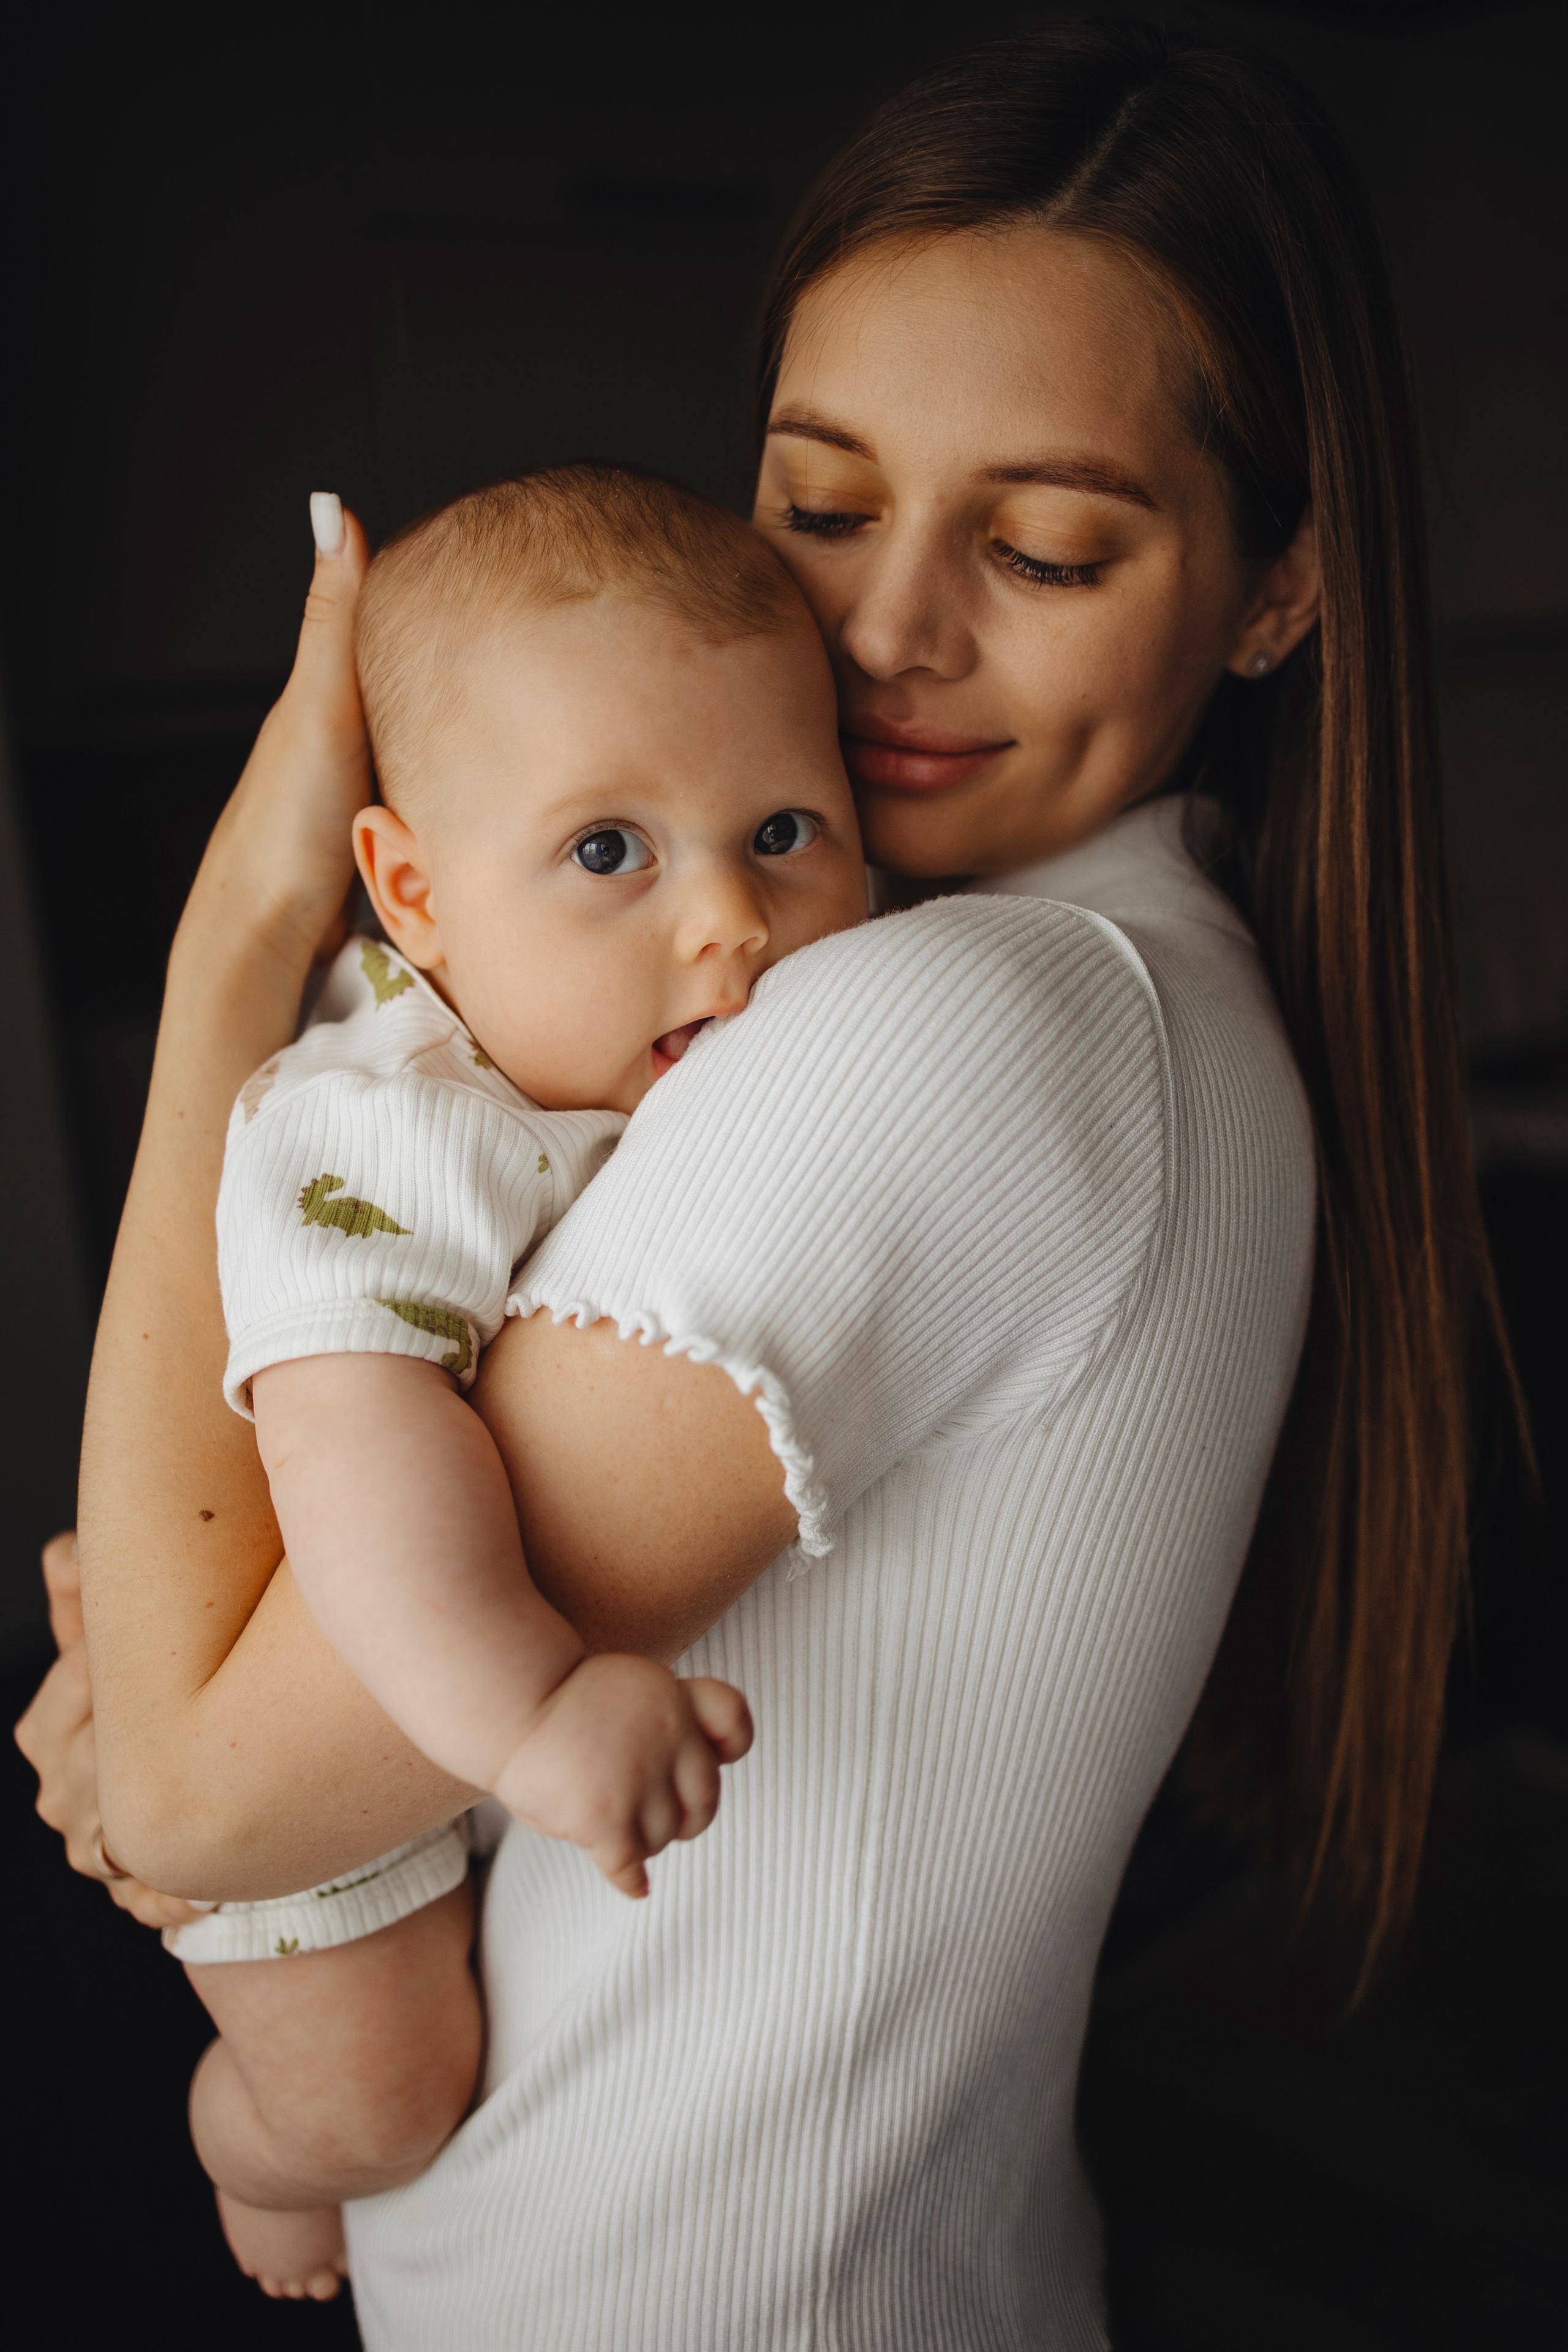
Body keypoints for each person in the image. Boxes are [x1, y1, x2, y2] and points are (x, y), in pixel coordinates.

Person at [18, 23, 1507, 2348]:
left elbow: (205, 1797)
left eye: (1044, 546)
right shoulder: (1006, 984)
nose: (886, 631)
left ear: (1279, 585)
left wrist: (240, 939)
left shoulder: (949, 1032)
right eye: (822, 506)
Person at [171, 463, 865, 2297]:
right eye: (609, 852)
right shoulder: (394, 1125)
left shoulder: (645, 1049)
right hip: (328, 1670)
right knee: (380, 2093)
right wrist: (536, 1707)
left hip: (441, 1721)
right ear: (413, 894)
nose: (729, 921)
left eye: (785, 829)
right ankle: (247, 2146)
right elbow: (354, 1435)